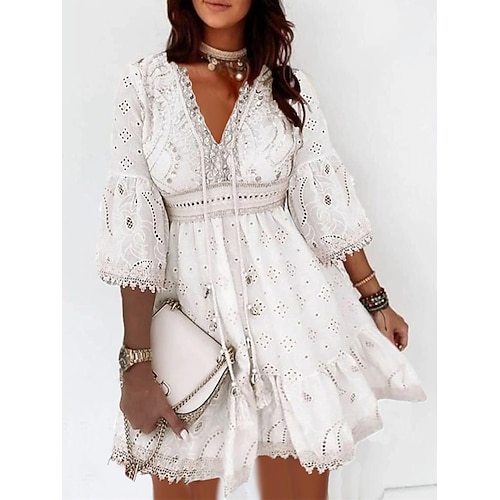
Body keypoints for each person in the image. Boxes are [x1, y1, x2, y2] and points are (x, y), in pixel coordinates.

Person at [96, 0, 427, 498]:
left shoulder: (291, 89)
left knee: (297, 482)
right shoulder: (144, 86)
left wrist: (375, 299)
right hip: (190, 318)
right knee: (183, 473)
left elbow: (323, 202)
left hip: (290, 317)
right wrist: (136, 361)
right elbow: (135, 228)